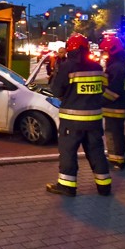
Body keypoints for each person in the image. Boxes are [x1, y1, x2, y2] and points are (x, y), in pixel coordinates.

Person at [46, 33, 112, 197]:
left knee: (68, 152)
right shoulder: (97, 67)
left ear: (70, 48)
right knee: (96, 152)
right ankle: (104, 186)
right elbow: (103, 88)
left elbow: (56, 90)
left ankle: (67, 186)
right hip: (95, 120)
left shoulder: (67, 66)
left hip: (72, 121)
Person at [99, 36, 125, 170]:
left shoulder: (117, 67)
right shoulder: (118, 65)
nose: (103, 54)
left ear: (112, 50)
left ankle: (117, 160)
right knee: (116, 133)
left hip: (115, 107)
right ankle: (118, 157)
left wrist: (100, 101)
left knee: (113, 133)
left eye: (104, 51)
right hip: (117, 106)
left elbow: (113, 91)